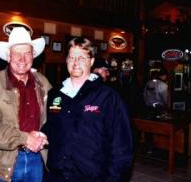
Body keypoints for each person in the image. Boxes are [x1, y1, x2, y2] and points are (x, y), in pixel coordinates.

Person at [42, 37, 133, 182]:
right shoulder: (55, 94)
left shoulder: (108, 97)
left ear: (91, 61)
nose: (76, 62)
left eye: (82, 58)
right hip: (57, 176)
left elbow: (121, 146)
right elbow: (53, 128)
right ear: (66, 61)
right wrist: (39, 135)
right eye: (72, 57)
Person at [0, 26, 52, 182]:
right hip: (2, 166)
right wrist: (24, 138)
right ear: (8, 56)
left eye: (27, 53)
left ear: (33, 56)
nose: (22, 59)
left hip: (37, 161)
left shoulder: (43, 83)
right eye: (17, 53)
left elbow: (54, 119)